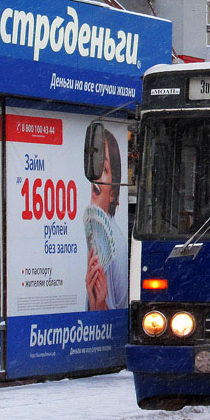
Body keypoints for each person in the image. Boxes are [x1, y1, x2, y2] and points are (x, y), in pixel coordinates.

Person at [85, 127, 129, 310]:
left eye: (103, 169)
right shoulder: (91, 230)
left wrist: (100, 305)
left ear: (113, 194)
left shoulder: (118, 247)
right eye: (94, 166)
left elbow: (120, 311)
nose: (95, 177)